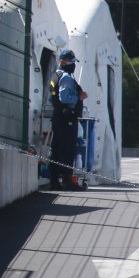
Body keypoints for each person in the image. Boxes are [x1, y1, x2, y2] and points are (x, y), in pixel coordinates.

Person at [47, 49, 86, 190]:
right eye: (71, 62)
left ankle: (55, 181)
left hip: (58, 117)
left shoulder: (55, 75)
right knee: (67, 149)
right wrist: (79, 97)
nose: (73, 65)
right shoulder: (66, 78)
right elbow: (64, 98)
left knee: (57, 148)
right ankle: (67, 181)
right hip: (66, 118)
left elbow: (52, 97)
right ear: (64, 62)